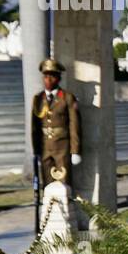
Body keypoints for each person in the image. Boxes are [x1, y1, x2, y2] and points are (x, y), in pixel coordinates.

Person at [30, 58, 81, 189]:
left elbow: (74, 124)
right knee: (47, 185)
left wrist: (75, 150)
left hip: (62, 147)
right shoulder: (38, 99)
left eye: (52, 77)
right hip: (45, 146)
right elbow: (34, 126)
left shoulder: (67, 97)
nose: (48, 80)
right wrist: (36, 149)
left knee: (64, 185)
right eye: (45, 76)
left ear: (58, 78)